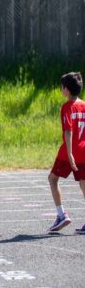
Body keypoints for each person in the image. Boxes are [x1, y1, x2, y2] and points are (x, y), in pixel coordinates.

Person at [47, 72, 85, 233]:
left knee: (53, 179)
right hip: (84, 149)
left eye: (62, 87)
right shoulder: (84, 105)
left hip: (69, 151)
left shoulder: (67, 107)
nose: (61, 89)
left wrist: (69, 154)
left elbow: (68, 131)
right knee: (84, 183)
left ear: (66, 90)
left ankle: (62, 215)